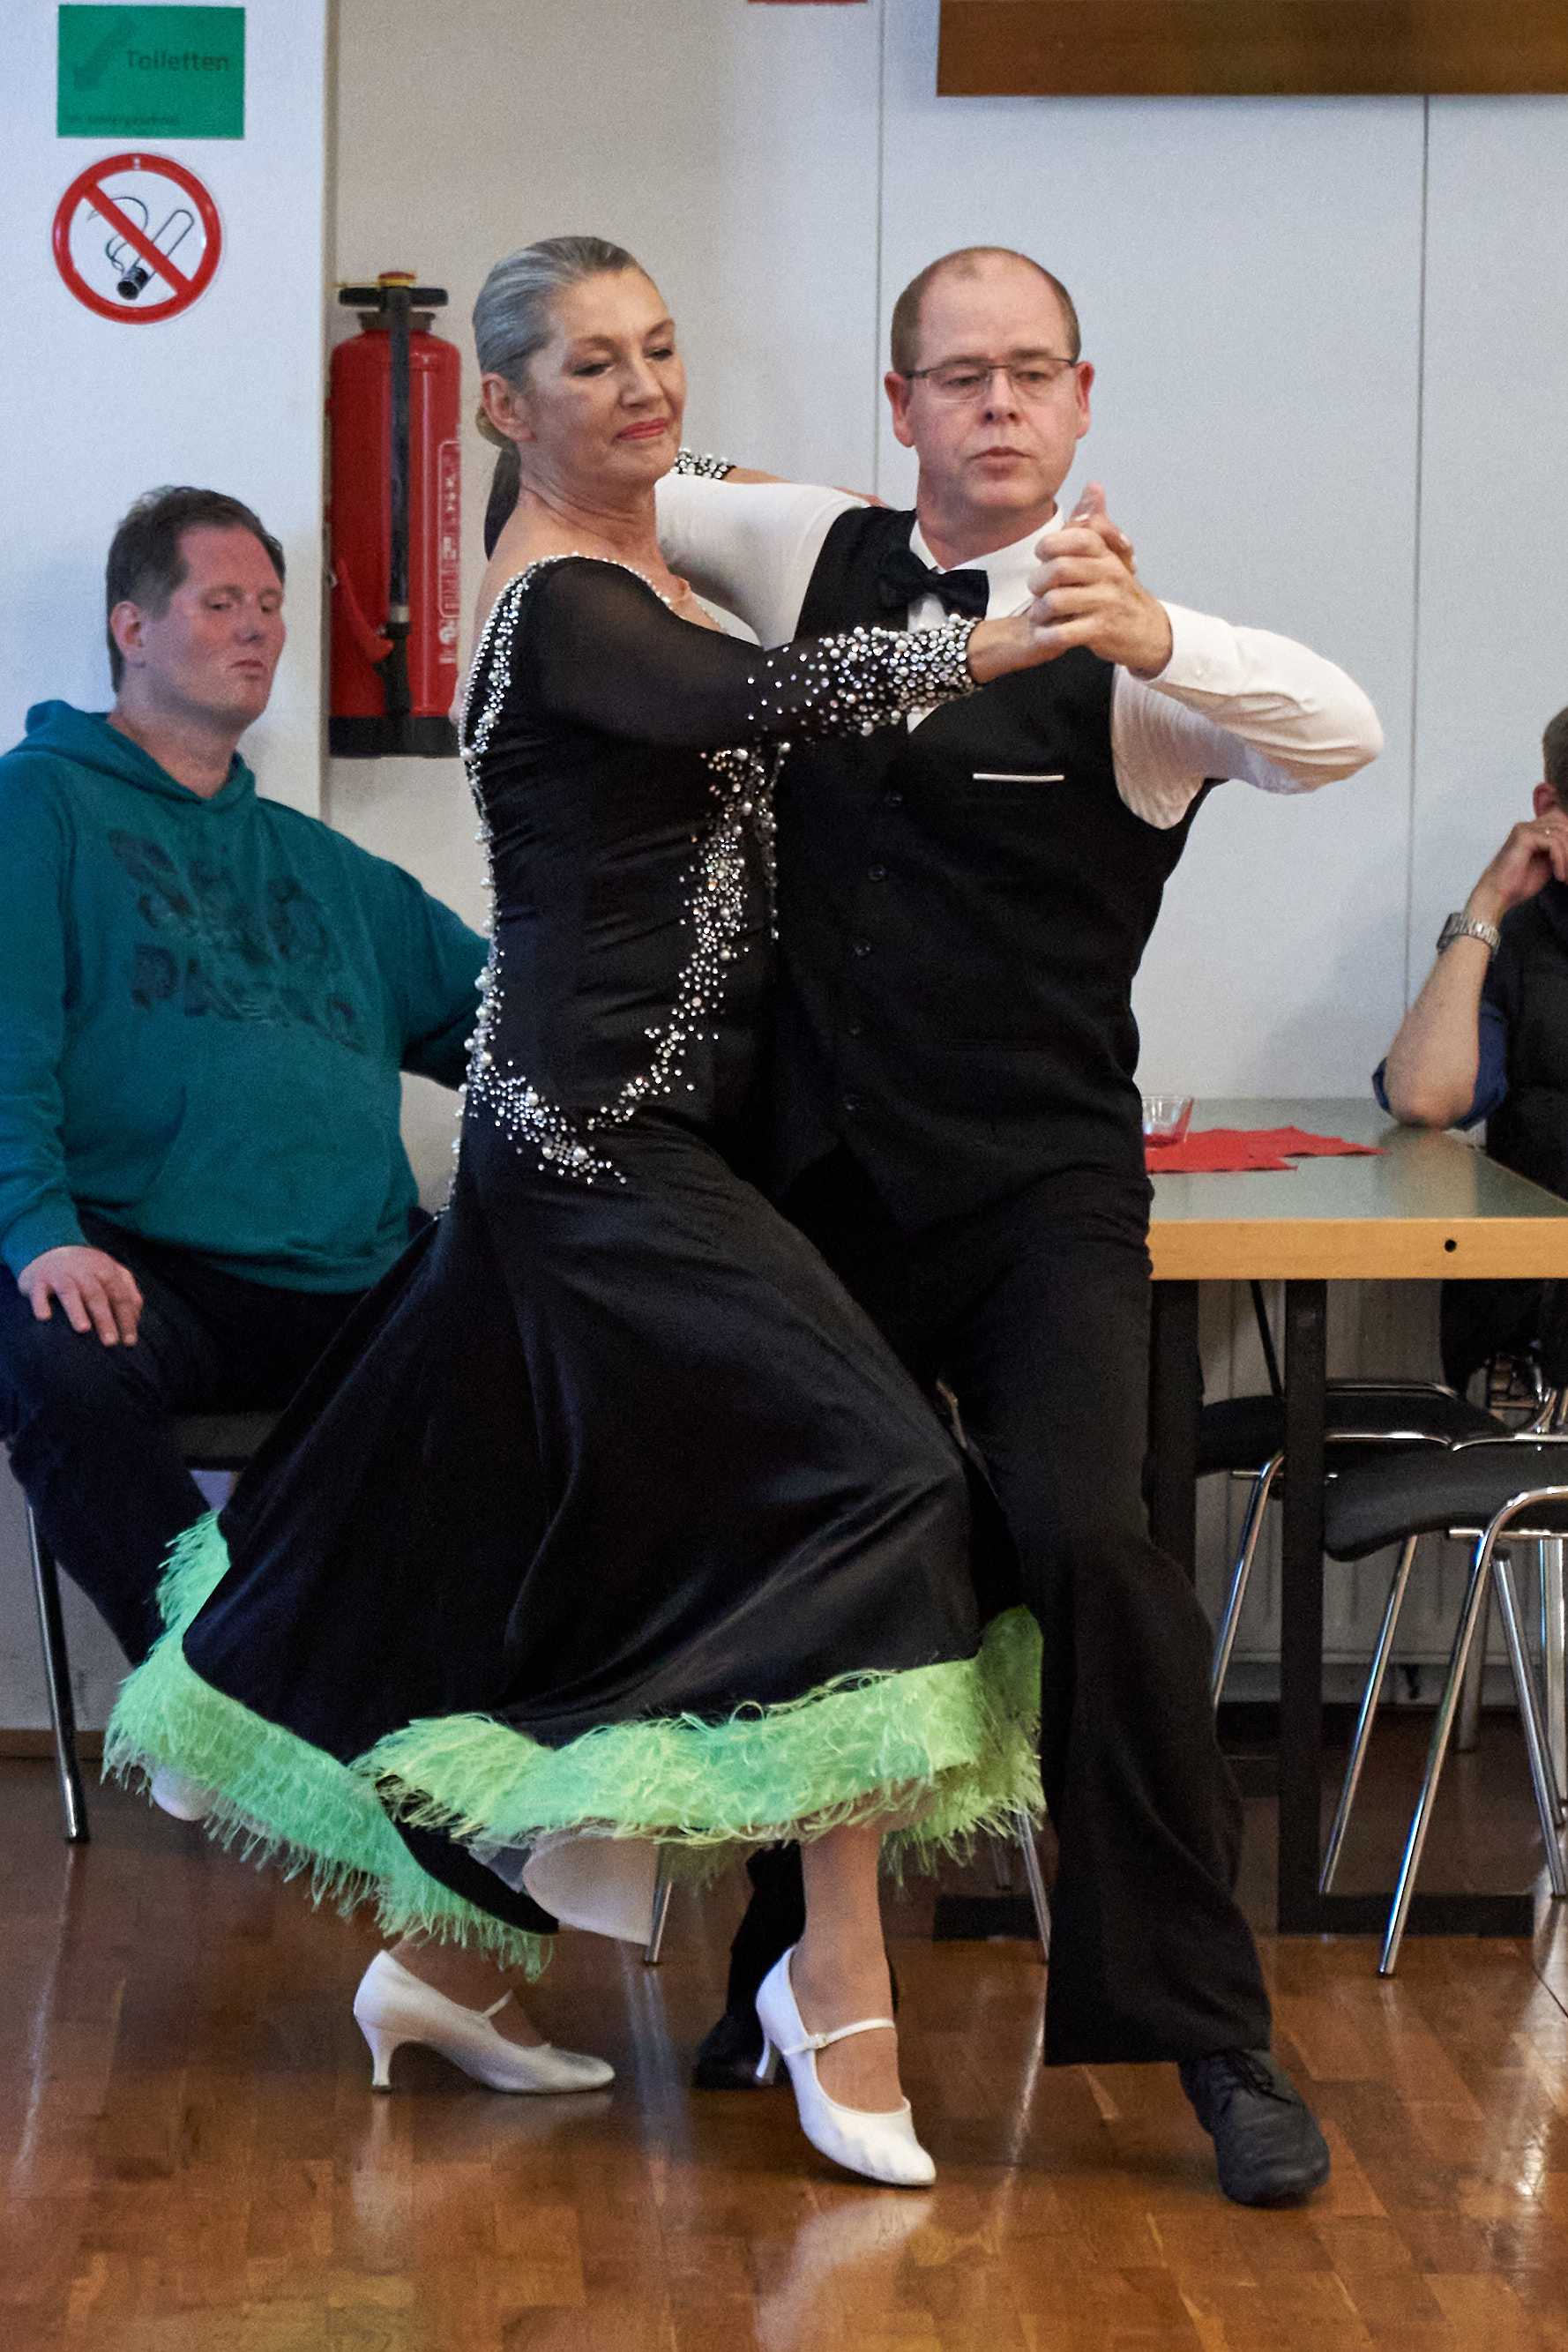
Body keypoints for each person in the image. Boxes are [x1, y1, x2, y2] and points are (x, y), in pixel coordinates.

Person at [107, 236, 1067, 2188]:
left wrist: (913, 505)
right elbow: (772, 689)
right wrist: (1009, 623)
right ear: (502, 404)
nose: (642, 389)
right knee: (881, 1474)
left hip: (650, 1146)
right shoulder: (557, 603)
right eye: (593, 364)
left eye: (660, 350)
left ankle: (446, 1963)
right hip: (590, 1152)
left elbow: (750, 516)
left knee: (596, 1557)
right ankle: (834, 1981)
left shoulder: (645, 546)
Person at [649, 245, 1385, 2206]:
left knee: (1088, 1540)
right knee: (814, 1538)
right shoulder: (807, 548)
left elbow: (1341, 733)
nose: (994, 401)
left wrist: (1156, 630)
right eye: (956, 373)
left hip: (1038, 1194)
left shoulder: (1132, 654)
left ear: (1078, 400)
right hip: (820, 1184)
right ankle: (786, 1953)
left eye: (1029, 372)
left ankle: (1211, 2032)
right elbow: (625, 476)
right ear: (898, 403)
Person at [0, 489, 489, 1669]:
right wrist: (37, 1230)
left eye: (269, 604)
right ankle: (216, 1691)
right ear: (131, 627)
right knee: (51, 1350)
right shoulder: (38, 803)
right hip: (149, 1270)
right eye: (221, 602)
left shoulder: (328, 869)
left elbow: (510, 1023)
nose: (258, 627)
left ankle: (458, 1714)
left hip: (355, 1274)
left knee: (560, 1341)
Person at [1378, 705, 1568, 1391]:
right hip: (1539, 1314)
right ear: (1550, 810)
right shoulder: (1516, 942)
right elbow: (1422, 1097)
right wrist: (1489, 901)